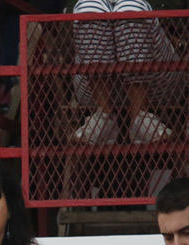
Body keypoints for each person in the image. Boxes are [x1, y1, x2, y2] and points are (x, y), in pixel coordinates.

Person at [69, 0, 181, 145]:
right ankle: (104, 118)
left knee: (131, 6)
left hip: (157, 79)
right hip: (92, 87)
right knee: (89, 7)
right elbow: (61, 48)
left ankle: (141, 118)